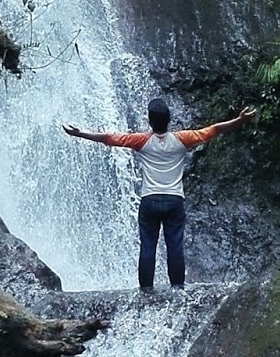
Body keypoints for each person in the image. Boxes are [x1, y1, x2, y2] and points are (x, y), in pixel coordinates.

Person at [62, 99, 256, 289]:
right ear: (169, 119)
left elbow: (109, 138)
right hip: (174, 199)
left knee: (147, 247)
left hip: (150, 199)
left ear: (149, 121)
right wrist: (239, 120)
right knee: (175, 246)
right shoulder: (183, 139)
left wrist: (80, 134)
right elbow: (214, 130)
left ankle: (146, 290)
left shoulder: (141, 140)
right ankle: (177, 289)